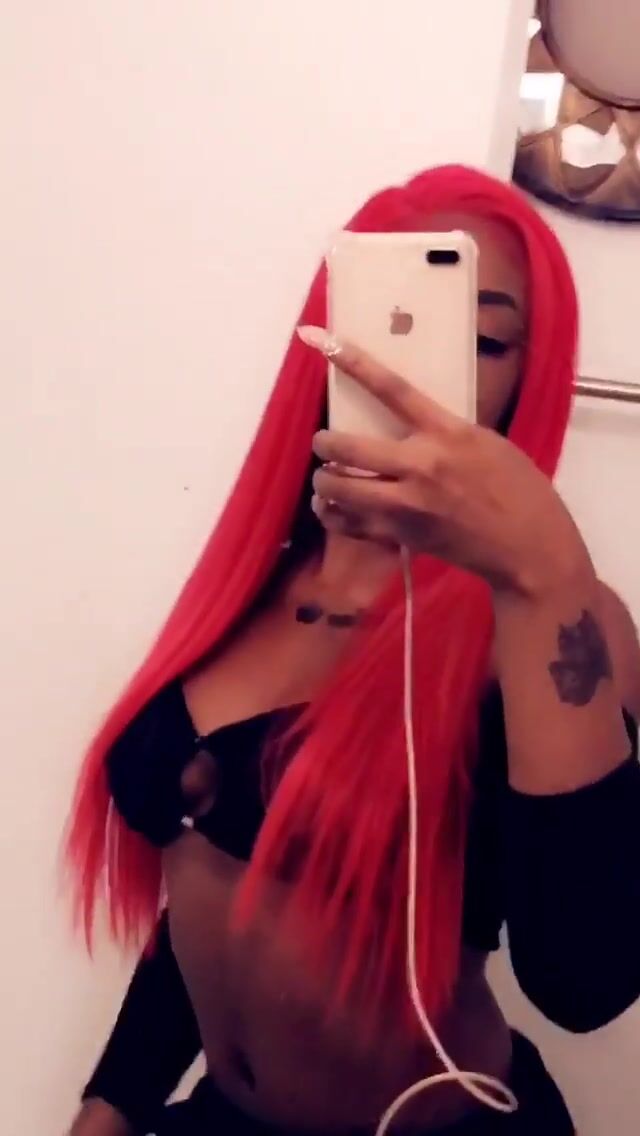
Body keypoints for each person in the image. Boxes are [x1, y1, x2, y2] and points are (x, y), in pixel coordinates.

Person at [66, 165, 640, 1136]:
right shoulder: (248, 590)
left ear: (528, 374)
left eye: (484, 340)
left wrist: (543, 574)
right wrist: (110, 1104)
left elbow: (585, 981)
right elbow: (209, 889)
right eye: (391, 322)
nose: (417, 370)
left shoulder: (555, 622)